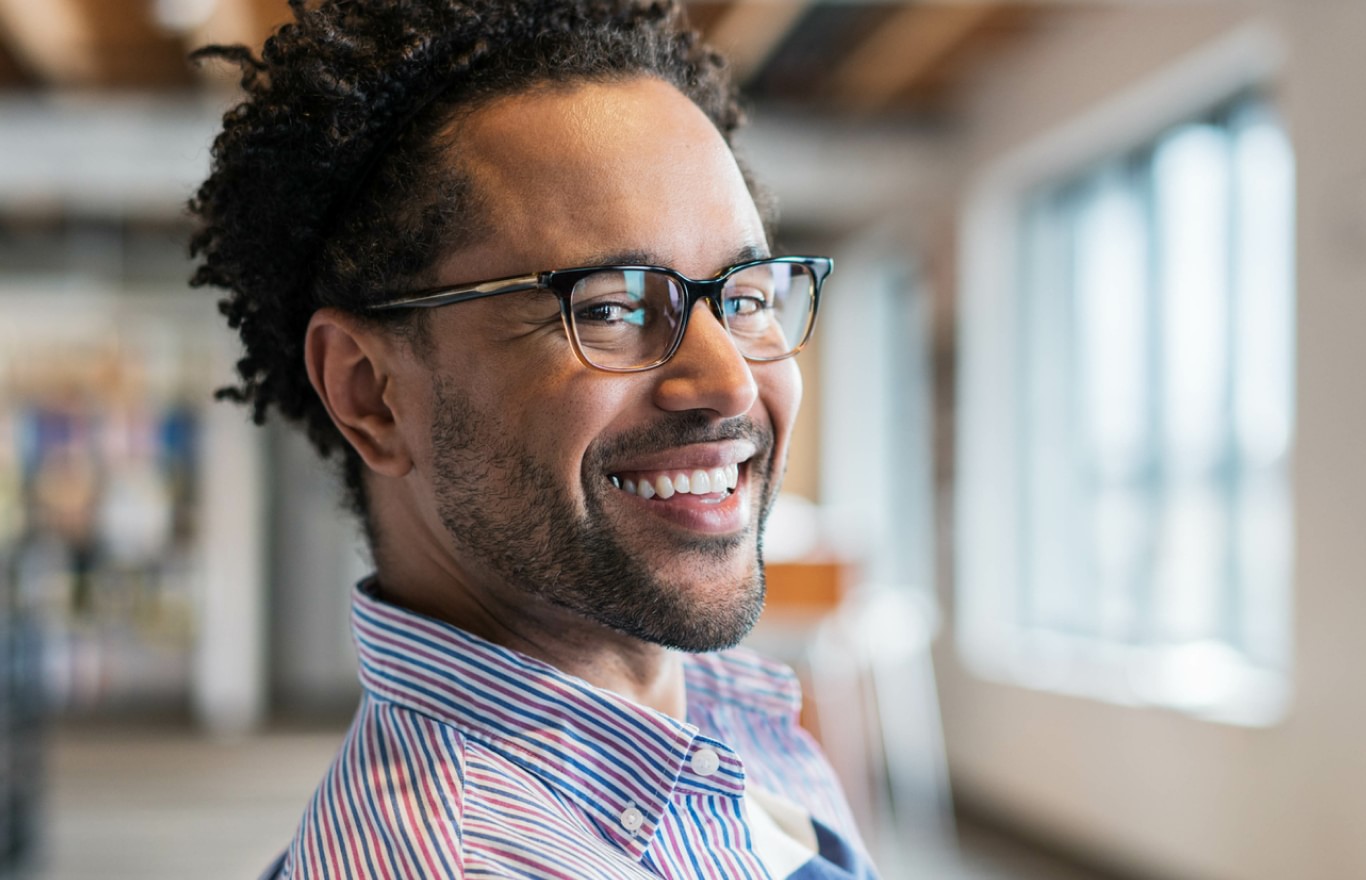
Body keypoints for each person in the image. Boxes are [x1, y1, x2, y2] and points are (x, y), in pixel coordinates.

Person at [190, 0, 873, 877]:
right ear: (372, 394)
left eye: (743, 296)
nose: (732, 379)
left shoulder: (720, 717)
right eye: (610, 306)